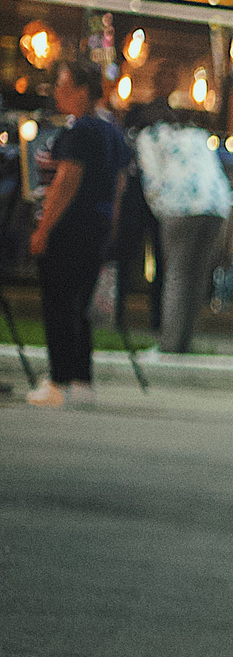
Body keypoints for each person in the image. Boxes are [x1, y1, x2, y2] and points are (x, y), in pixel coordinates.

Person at [24, 60, 131, 408]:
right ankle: (81, 380)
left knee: (58, 304)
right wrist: (110, 225)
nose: (58, 93)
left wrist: (43, 228)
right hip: (96, 226)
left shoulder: (81, 130)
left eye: (64, 86)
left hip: (70, 227)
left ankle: (59, 380)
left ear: (83, 91)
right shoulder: (111, 129)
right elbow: (119, 184)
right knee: (80, 306)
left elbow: (67, 182)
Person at [125, 76, 231, 357]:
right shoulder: (194, 134)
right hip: (217, 206)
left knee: (176, 277)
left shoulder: (148, 137)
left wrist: (161, 212)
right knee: (197, 279)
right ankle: (185, 341)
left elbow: (153, 180)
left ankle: (169, 344)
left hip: (180, 209)